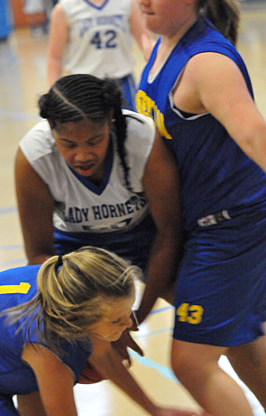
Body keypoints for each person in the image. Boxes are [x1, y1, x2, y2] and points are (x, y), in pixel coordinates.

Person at [134, 0, 266, 415]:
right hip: (201, 222)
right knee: (242, 342)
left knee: (191, 362)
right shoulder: (162, 44)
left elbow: (253, 135)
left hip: (232, 226)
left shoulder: (207, 62)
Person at [15, 73, 181, 326]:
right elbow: (39, 255)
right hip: (75, 247)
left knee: (204, 309)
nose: (82, 155)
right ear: (51, 128)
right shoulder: (34, 157)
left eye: (94, 141)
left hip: (145, 238)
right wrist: (94, 323)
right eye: (69, 144)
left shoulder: (141, 140)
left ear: (111, 122)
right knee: (70, 332)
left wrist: (134, 320)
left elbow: (169, 234)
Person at [0, 246, 199, 416]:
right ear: (80, 320)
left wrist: (155, 410)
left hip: (15, 347)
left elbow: (105, 358)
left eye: (129, 311)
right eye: (116, 320)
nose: (129, 324)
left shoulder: (77, 290)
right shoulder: (48, 346)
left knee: (32, 384)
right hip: (29, 349)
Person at [47, 0, 155, 111]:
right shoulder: (64, 8)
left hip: (122, 82)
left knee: (128, 130)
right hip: (84, 86)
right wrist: (54, 96)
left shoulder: (126, 0)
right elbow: (55, 57)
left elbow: (145, 41)